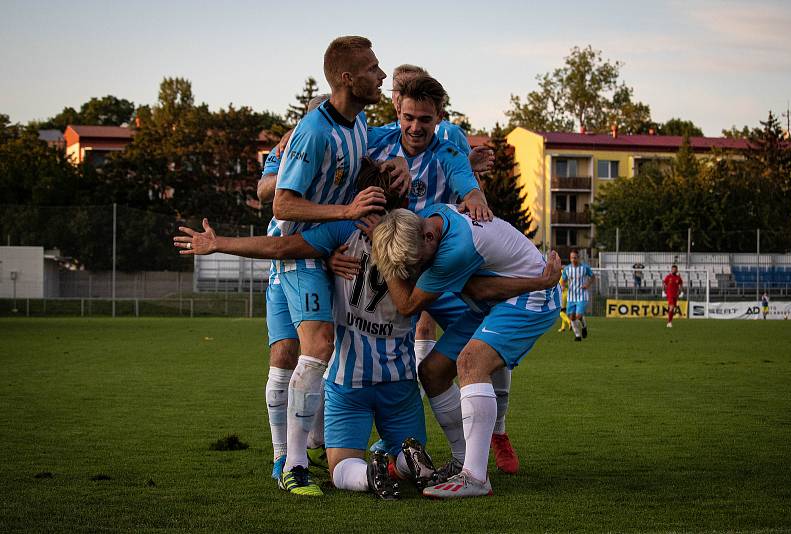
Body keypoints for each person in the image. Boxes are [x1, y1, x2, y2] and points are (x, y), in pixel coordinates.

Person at [174, 212, 561, 499]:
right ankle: (407, 463)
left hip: (347, 382)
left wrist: (221, 243)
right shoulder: (422, 256)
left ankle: (360, 470)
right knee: (433, 391)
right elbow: (462, 298)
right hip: (400, 383)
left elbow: (283, 247)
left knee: (341, 465)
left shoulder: (344, 235)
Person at [269, 35, 412, 496]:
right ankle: (292, 466)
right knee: (319, 344)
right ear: (348, 78)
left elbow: (351, 171)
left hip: (329, 247)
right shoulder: (313, 130)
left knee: (329, 348)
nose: (382, 75)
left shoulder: (358, 123)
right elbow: (282, 203)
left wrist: (388, 166)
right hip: (297, 249)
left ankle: (324, 447)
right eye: (373, 68)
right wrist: (347, 213)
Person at [370, 205, 562, 498]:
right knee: (432, 372)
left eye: (417, 263)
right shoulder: (432, 215)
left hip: (529, 298)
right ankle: (463, 461)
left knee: (471, 362)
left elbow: (408, 304)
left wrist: (383, 258)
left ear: (429, 237)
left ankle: (475, 477)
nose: (414, 271)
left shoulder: (455, 250)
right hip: (496, 299)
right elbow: (478, 289)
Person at [257, 93, 330, 480]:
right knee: (284, 353)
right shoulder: (291, 144)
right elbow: (265, 191)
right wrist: (289, 158)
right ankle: (281, 454)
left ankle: (315, 444)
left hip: (325, 258)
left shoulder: (349, 148)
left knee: (322, 355)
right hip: (284, 259)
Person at [562, 250, 594, 341]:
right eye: (571, 258)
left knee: (578, 316)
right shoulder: (567, 269)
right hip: (571, 296)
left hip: (582, 295)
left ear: (578, 258)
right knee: (571, 316)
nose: (573, 260)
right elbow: (564, 279)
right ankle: (577, 335)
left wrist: (587, 285)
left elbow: (593, 277)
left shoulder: (584, 268)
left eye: (575, 258)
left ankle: (584, 326)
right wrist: (563, 286)